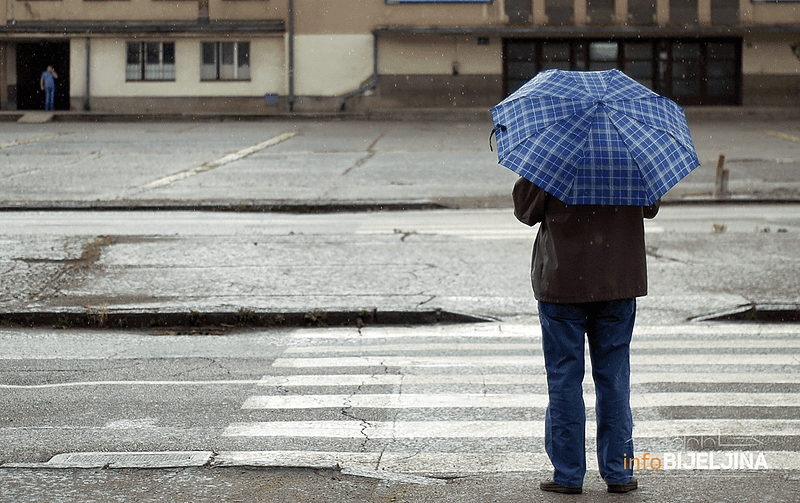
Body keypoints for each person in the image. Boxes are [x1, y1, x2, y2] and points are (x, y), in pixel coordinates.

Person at [512, 176, 659, 495]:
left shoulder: (553, 153)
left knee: (564, 378)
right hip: (618, 279)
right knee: (614, 379)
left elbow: (525, 210)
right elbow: (651, 205)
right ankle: (619, 473)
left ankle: (567, 474)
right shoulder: (628, 149)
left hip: (563, 280)